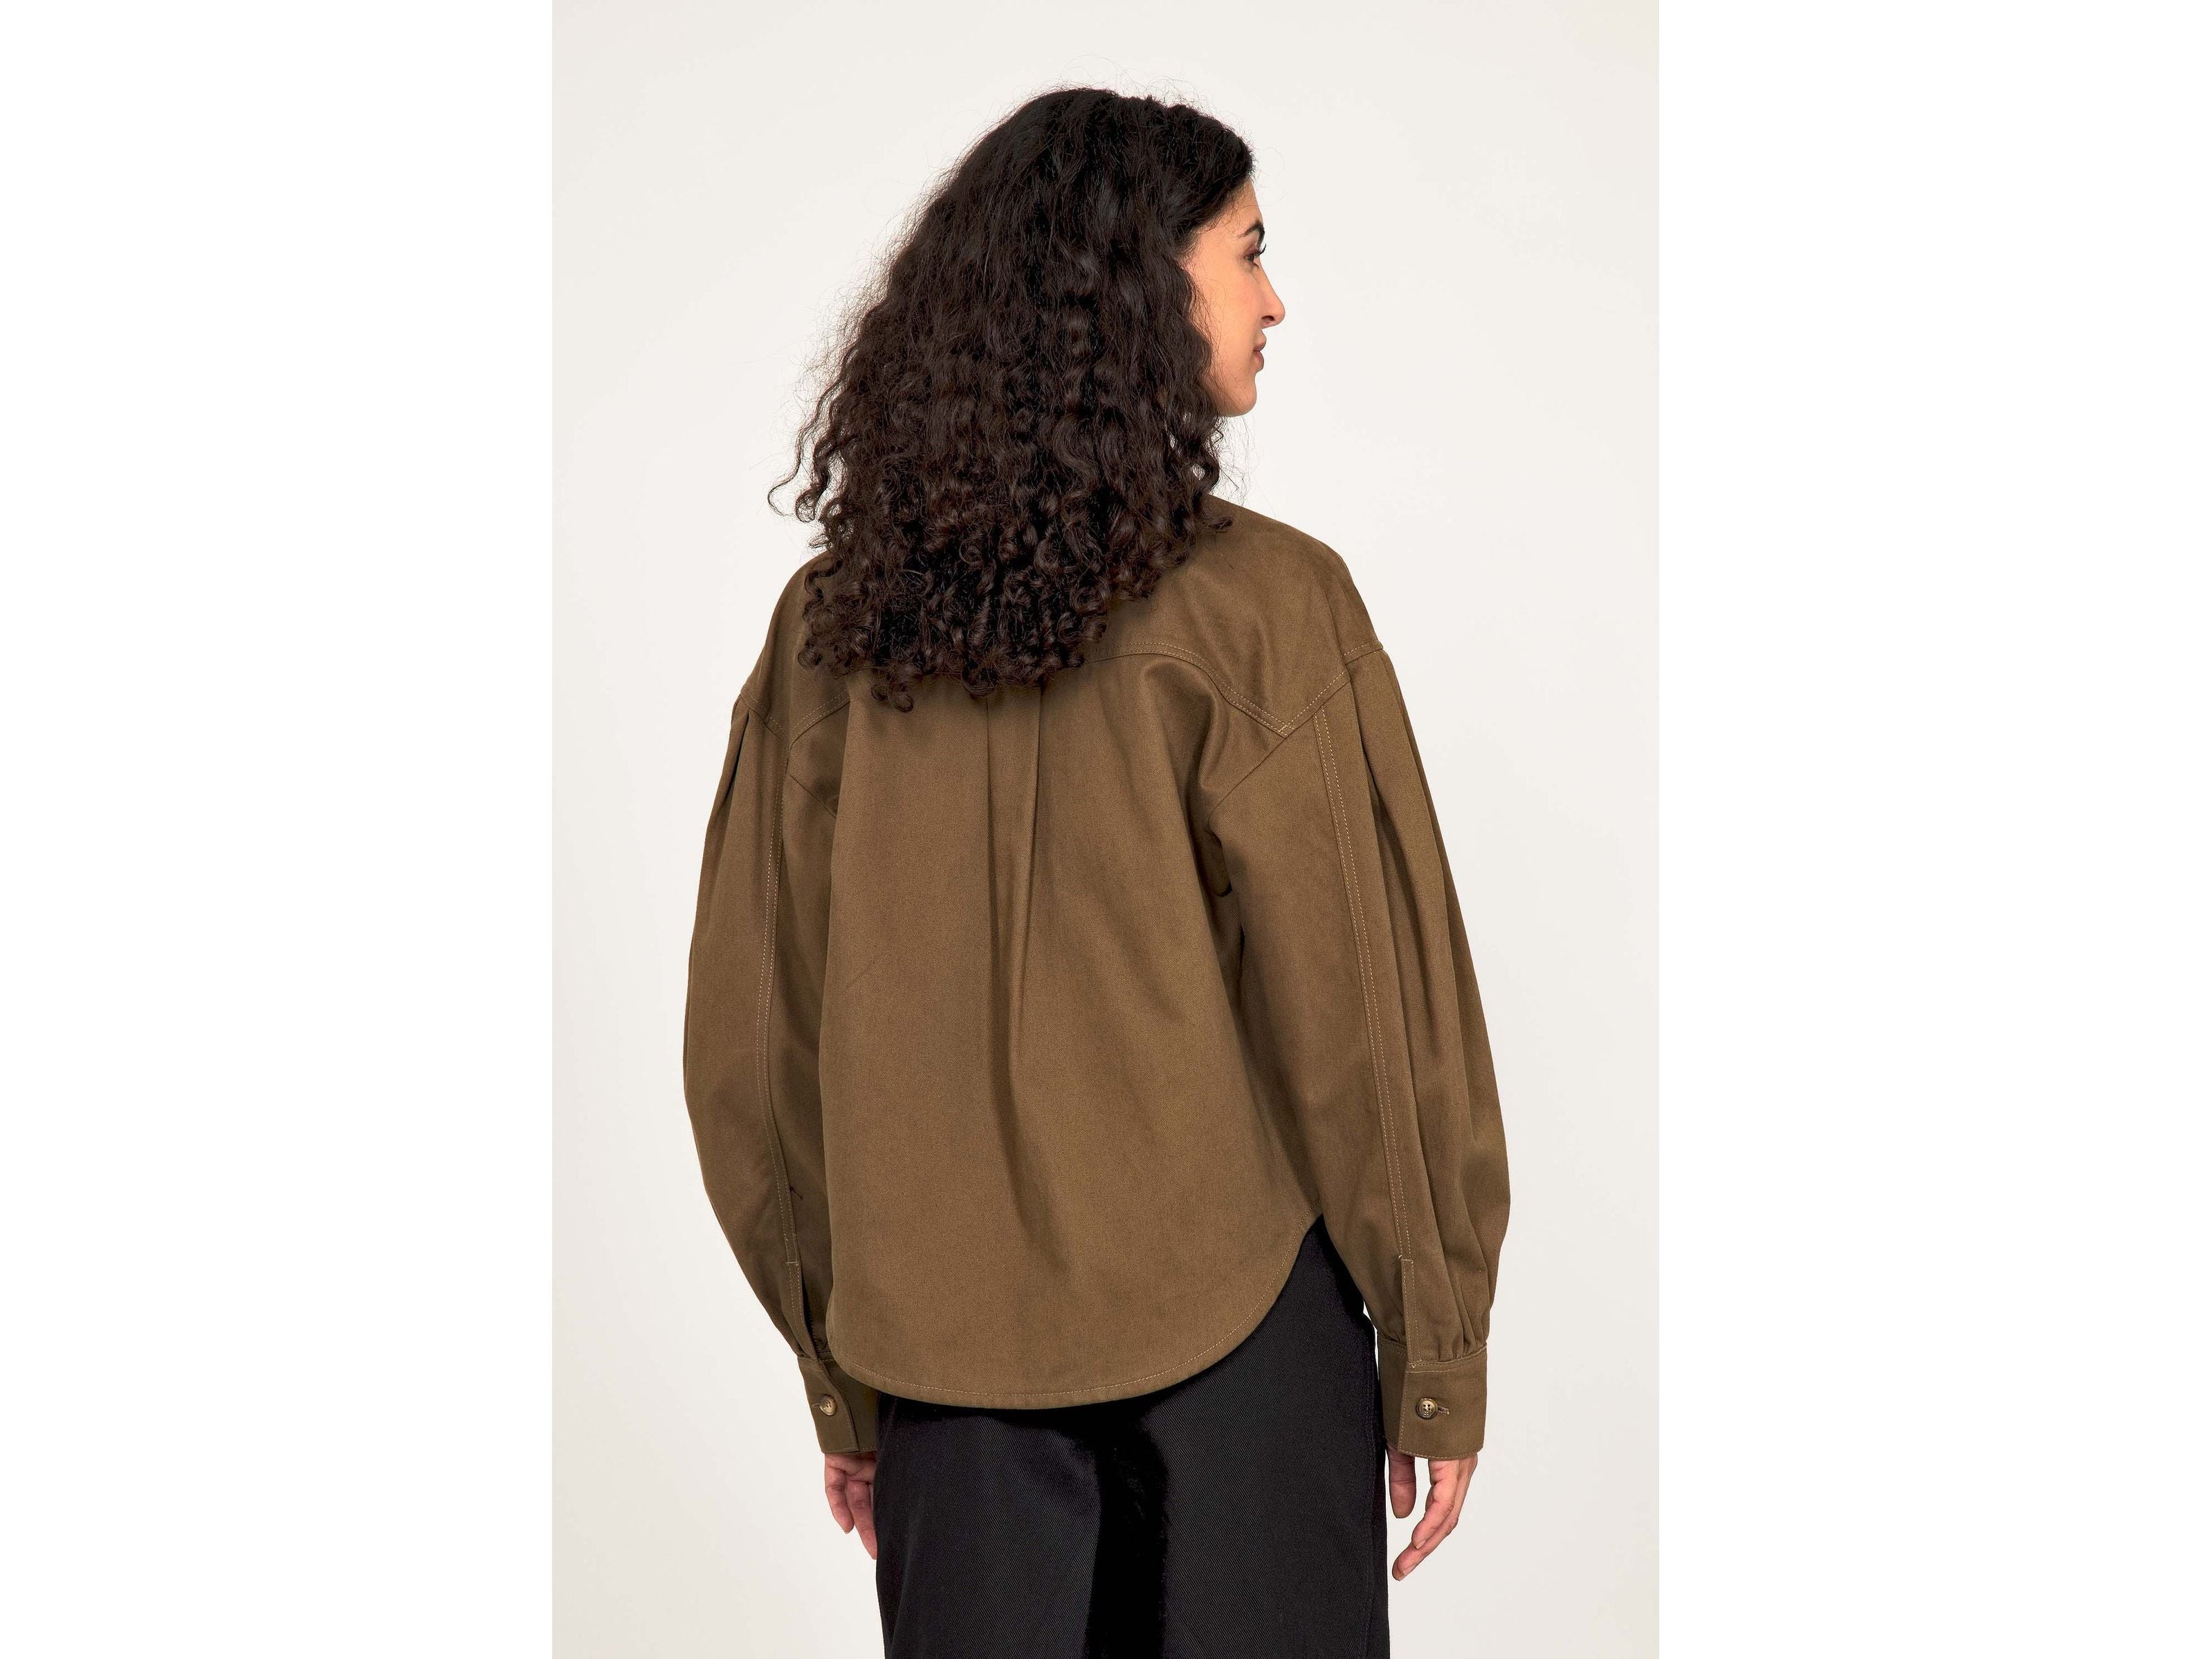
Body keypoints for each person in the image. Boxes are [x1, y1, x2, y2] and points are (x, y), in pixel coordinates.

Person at [681, 85, 1510, 1657]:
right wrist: (1436, 1348)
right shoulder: (1269, 611)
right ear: (1137, 287)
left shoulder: (832, 638)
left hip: (943, 1380)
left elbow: (758, 1046)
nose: (1276, 298)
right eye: (1246, 253)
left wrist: (844, 1368)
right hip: (1247, 1361)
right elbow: (1368, 1021)